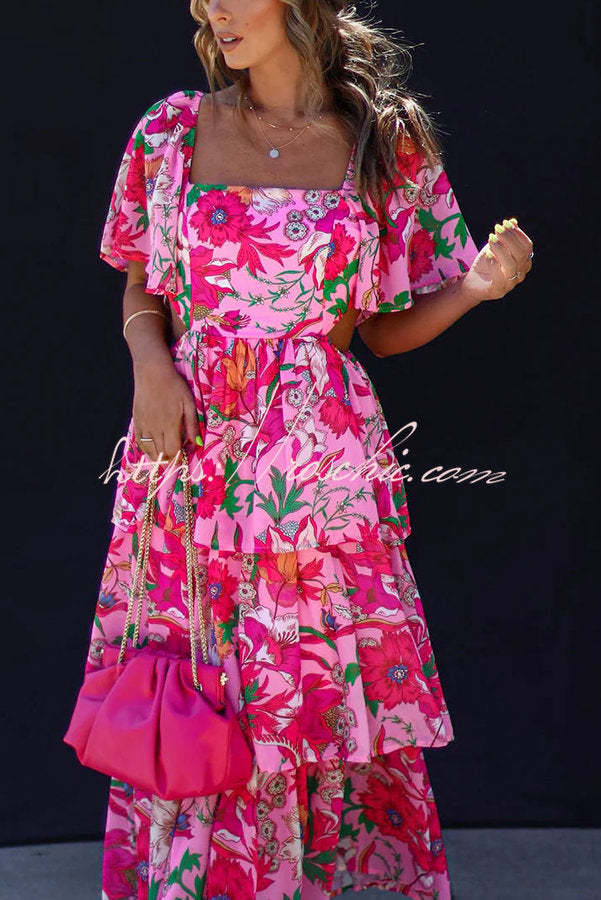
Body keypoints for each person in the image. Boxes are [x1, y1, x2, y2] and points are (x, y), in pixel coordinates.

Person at [84, 1, 533, 898]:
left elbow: (380, 332)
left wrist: (475, 289)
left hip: (317, 465)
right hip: (189, 455)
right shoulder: (171, 130)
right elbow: (140, 276)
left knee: (304, 685)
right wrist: (150, 369)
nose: (210, 9)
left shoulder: (387, 144)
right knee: (197, 678)